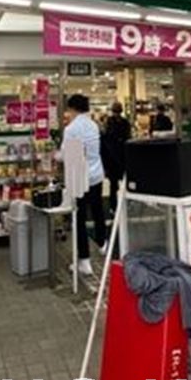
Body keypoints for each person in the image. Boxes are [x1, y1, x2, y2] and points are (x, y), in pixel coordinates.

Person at [61, 93, 106, 277]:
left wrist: (57, 156)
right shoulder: (93, 125)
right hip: (97, 173)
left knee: (78, 218)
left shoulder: (71, 129)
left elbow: (70, 156)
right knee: (97, 210)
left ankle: (84, 261)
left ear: (72, 108)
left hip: (80, 176)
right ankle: (103, 244)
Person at [101, 102, 132, 216]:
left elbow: (105, 142)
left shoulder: (108, 123)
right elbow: (128, 138)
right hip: (122, 157)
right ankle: (125, 204)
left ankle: (114, 207)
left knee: (113, 185)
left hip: (112, 159)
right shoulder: (125, 123)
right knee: (124, 183)